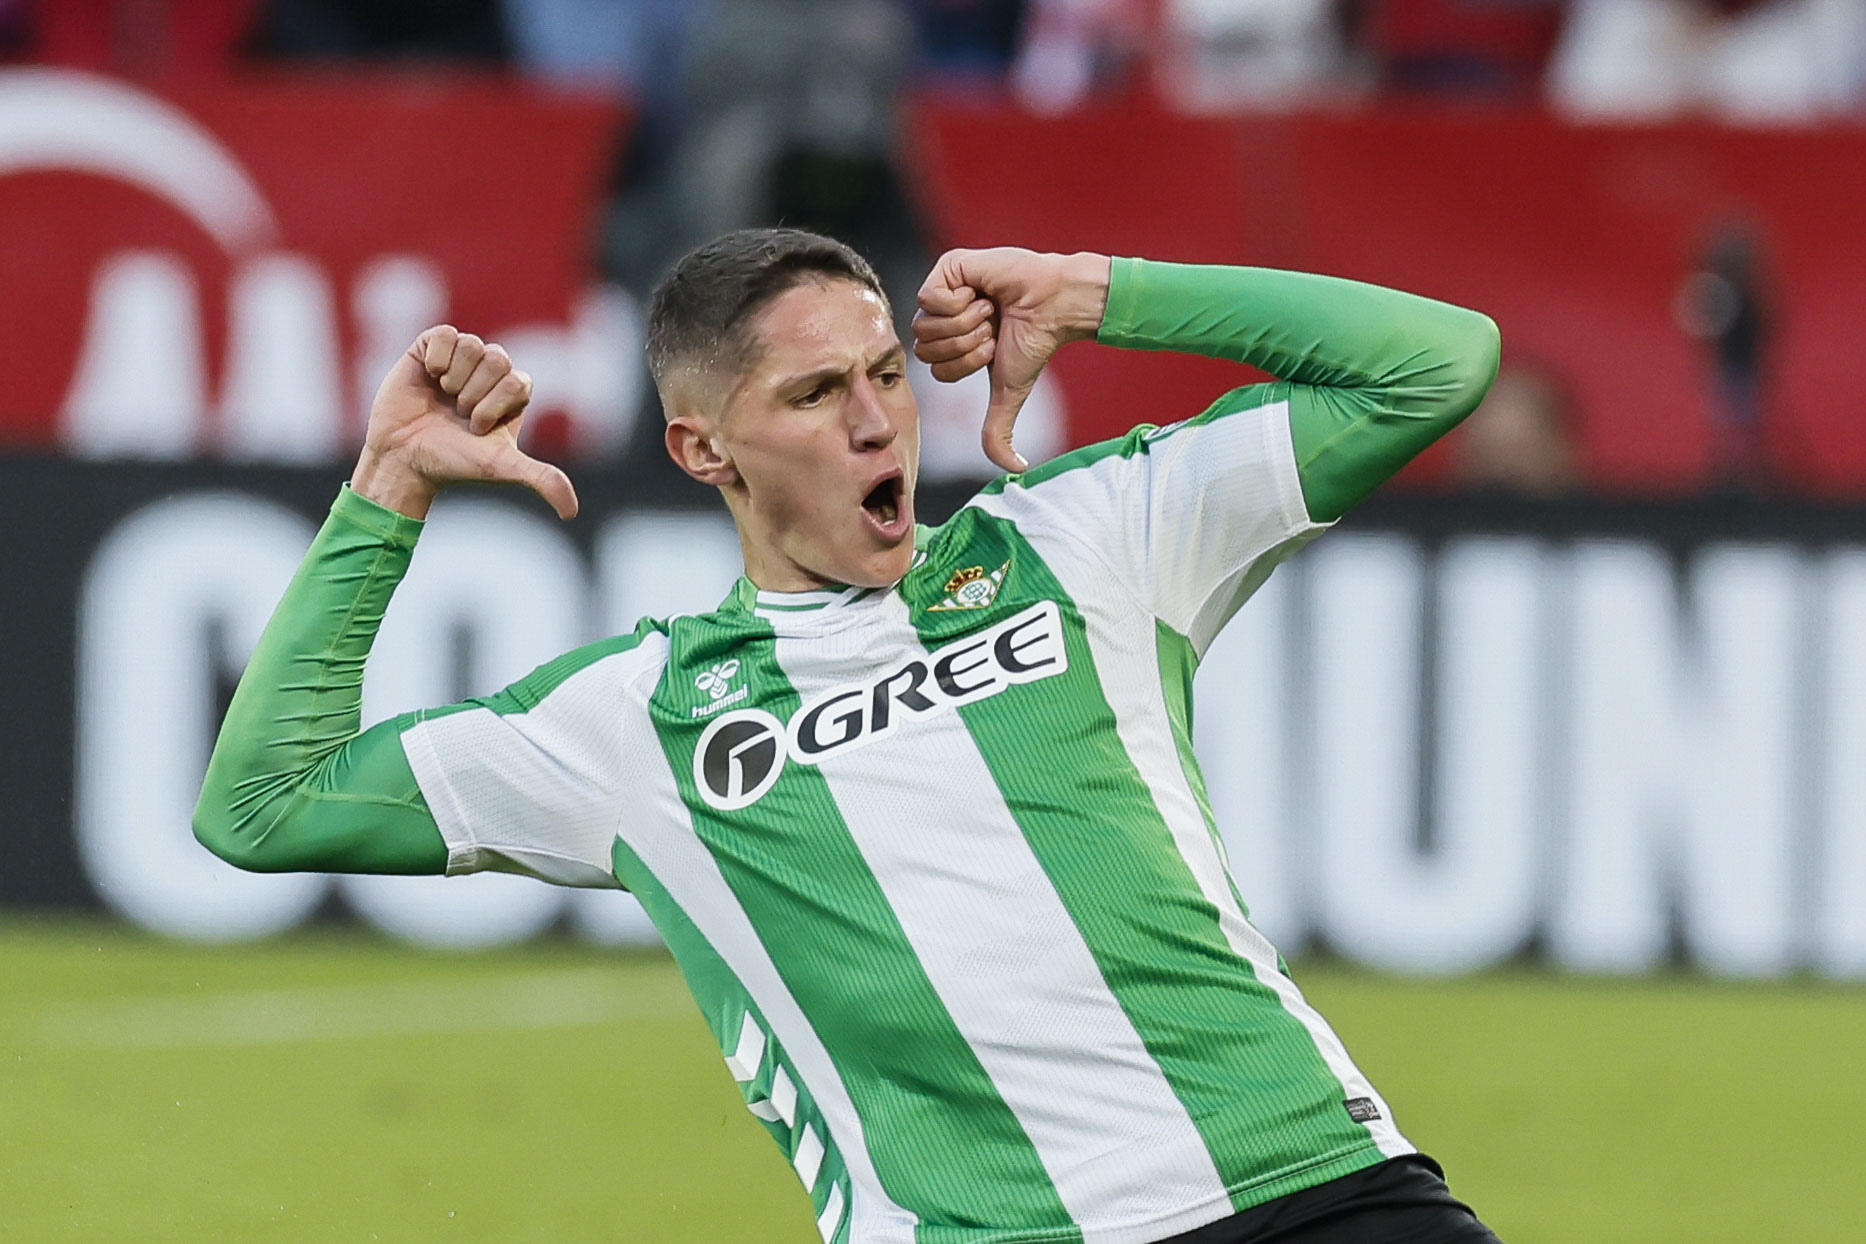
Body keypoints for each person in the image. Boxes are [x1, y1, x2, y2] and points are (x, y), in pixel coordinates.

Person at [195, 229, 1503, 1244]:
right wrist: (390, 489)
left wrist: (1099, 289)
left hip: (1312, 1183)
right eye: (816, 393)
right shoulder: (635, 716)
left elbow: (1433, 365)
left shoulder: (1086, 536)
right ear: (704, 450)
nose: (877, 420)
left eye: (886, 374)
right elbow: (262, 803)